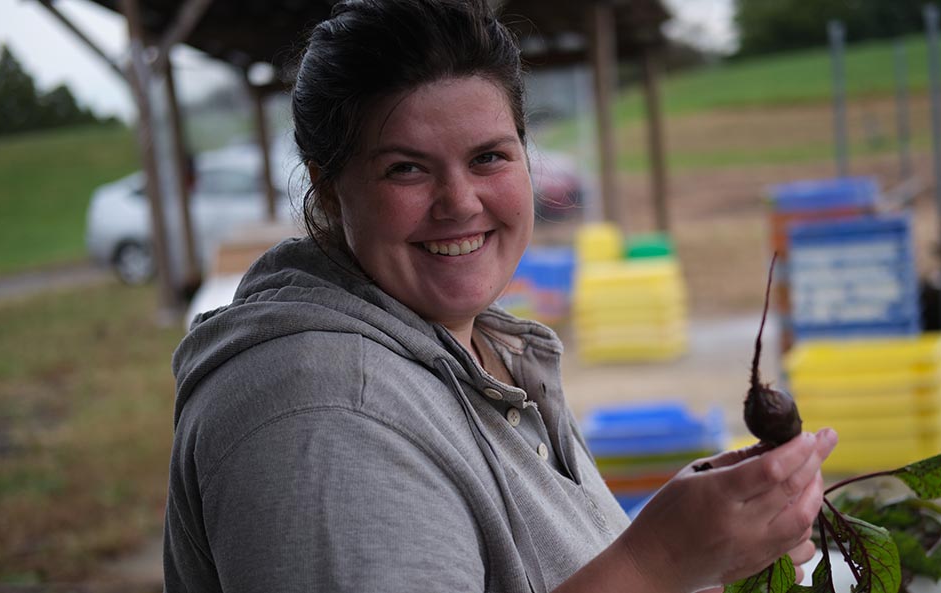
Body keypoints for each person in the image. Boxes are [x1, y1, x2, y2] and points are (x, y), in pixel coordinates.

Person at [162, 1, 838, 591]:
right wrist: (659, 557)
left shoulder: (481, 345)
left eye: (488, 156)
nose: (460, 202)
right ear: (330, 187)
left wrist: (702, 555)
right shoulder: (323, 414)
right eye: (406, 168)